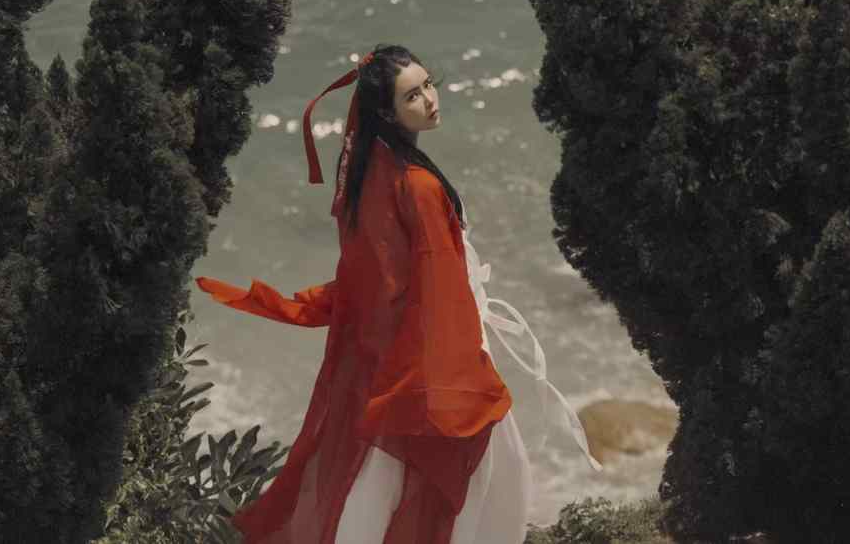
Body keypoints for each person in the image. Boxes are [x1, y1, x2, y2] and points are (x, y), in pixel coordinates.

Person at [195, 43, 599, 543]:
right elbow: (435, 286)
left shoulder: (375, 172)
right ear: (386, 113)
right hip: (436, 350)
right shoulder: (418, 185)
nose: (429, 99)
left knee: (381, 481)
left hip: (405, 353)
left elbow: (376, 279)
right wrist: (461, 370)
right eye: (412, 95)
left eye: (428, 85)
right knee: (488, 476)